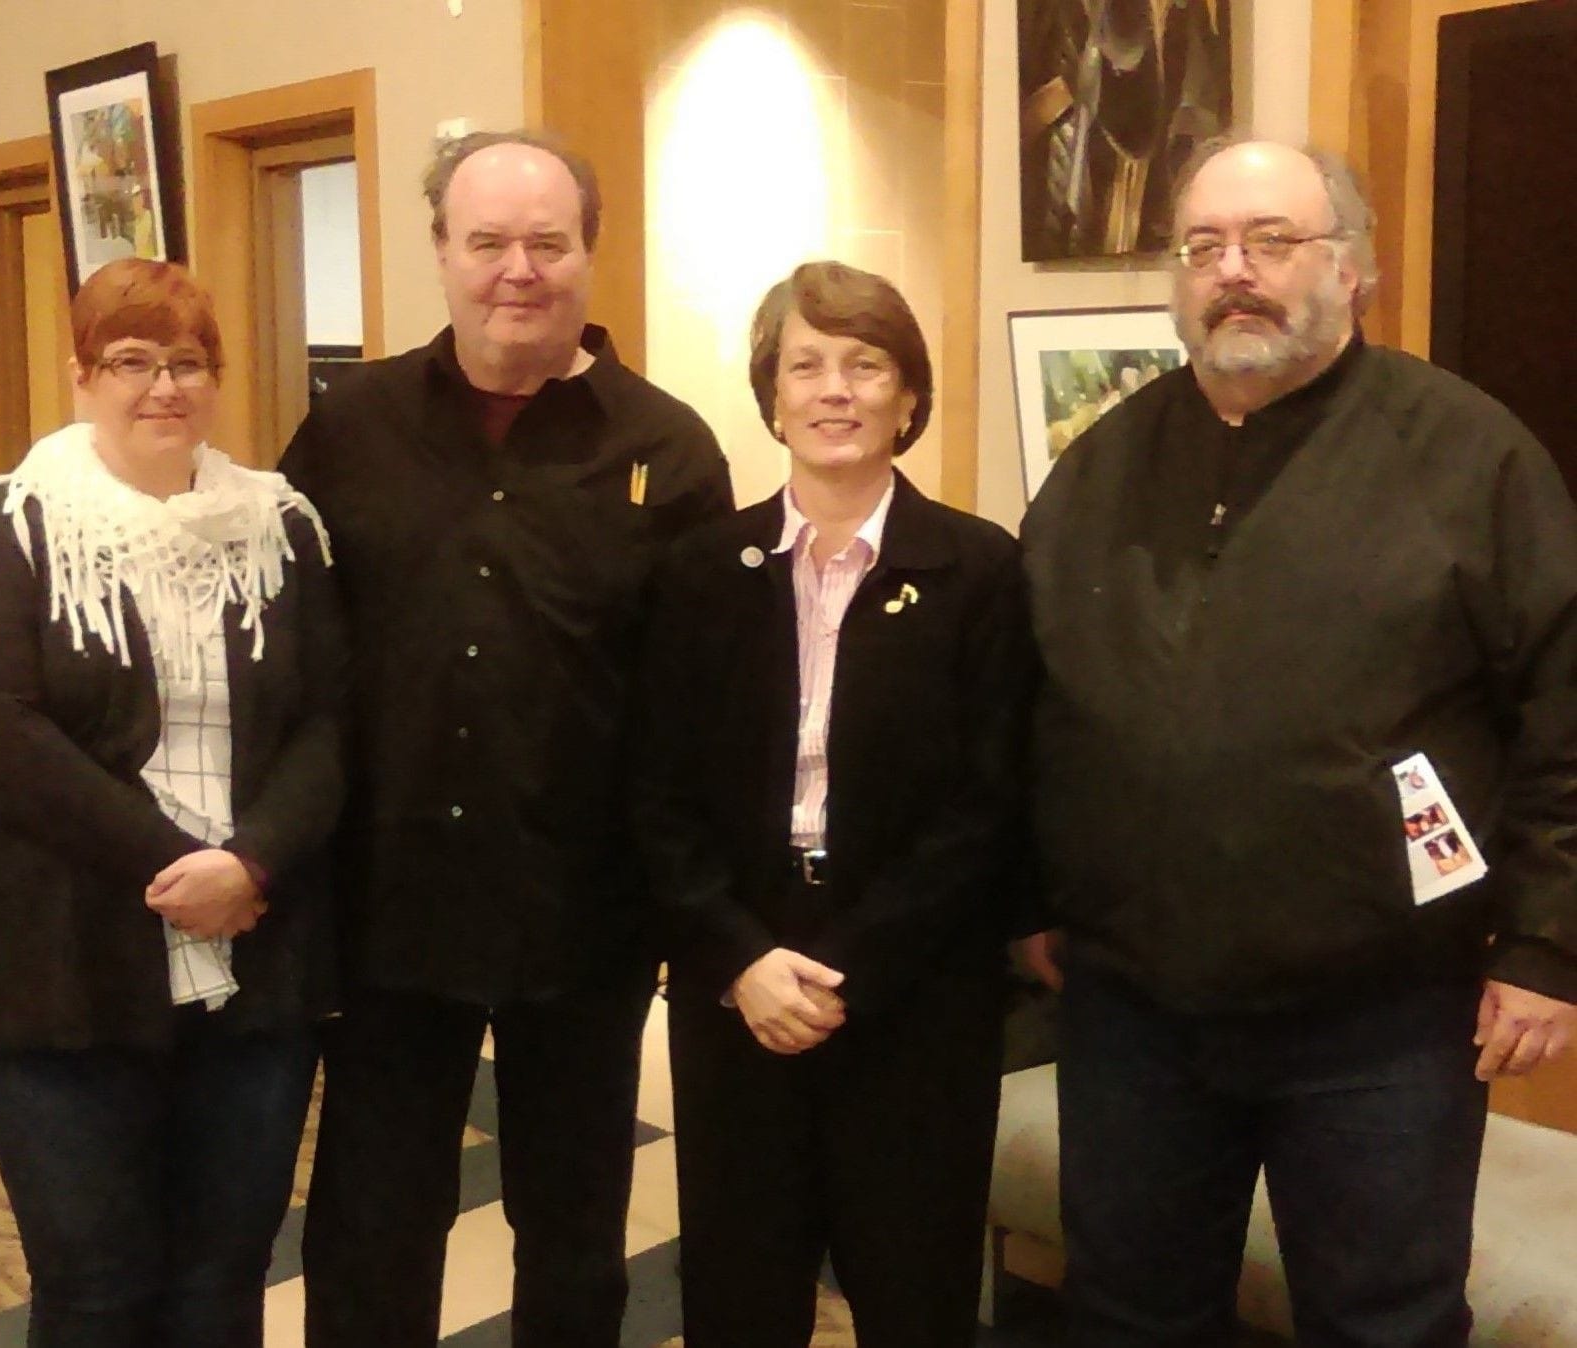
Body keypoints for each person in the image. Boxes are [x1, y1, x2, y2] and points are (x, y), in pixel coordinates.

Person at [1020, 137, 1577, 1346]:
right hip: (1135, 1012)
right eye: (1204, 246)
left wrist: (1542, 946)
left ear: (1352, 268)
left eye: (1270, 241)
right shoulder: (1103, 466)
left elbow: (1563, 707)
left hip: (1378, 1018)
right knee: (1127, 1315)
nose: (1234, 272)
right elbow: (1033, 704)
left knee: (1383, 1321)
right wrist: (1032, 893)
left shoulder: (1469, 456)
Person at [281, 130, 732, 1348]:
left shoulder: (669, 449)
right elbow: (291, 664)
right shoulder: (348, 429)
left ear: (589, 253)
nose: (517, 270)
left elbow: (699, 708)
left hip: (583, 916)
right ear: (441, 252)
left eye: (547, 241)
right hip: (387, 912)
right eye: (487, 242)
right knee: (372, 1233)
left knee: (576, 1240)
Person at [637, 261, 1032, 1347]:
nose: (835, 389)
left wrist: (847, 970)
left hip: (914, 999)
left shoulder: (979, 569)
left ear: (909, 398)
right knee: (738, 1289)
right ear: (771, 396)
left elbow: (989, 807)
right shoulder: (701, 570)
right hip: (738, 989)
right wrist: (741, 958)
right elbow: (656, 793)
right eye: (805, 364)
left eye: (867, 364)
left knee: (915, 1292)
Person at [0, 257, 343, 1347]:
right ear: (82, 374)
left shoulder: (282, 527)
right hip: (58, 965)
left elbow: (328, 724)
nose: (163, 385)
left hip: (254, 964)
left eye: (187, 361)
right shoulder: (9, 525)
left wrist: (252, 865)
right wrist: (179, 868)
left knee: (223, 1279)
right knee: (95, 1285)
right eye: (132, 360)